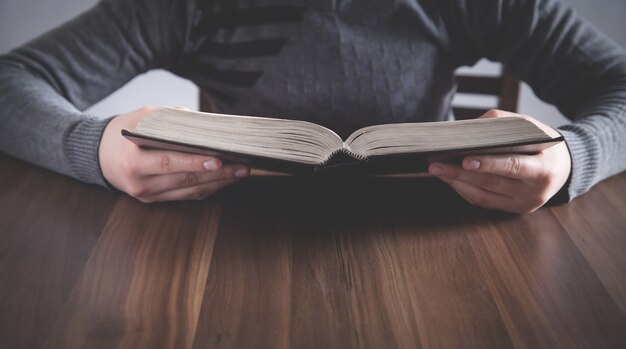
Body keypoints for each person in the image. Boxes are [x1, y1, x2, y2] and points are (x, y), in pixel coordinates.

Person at [0, 0, 624, 213]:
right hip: (229, 243)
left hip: (431, 236)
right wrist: (96, 148)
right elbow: (12, 81)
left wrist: (574, 158)